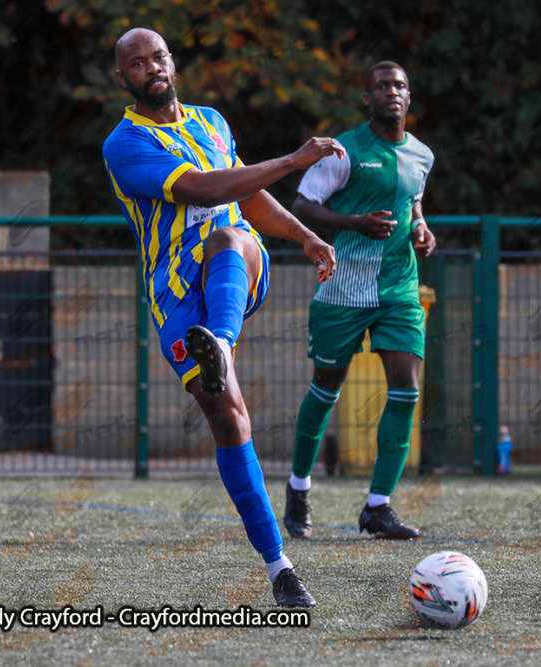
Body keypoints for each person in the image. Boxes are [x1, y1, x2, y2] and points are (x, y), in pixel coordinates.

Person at [103, 28, 344, 606]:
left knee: (232, 231)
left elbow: (248, 200)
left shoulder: (211, 121)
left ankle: (223, 344)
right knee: (231, 421)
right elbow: (205, 186)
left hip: (232, 276)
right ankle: (279, 568)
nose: (151, 68)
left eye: (158, 56)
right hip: (176, 300)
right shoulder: (124, 143)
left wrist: (306, 235)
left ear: (172, 61)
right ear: (124, 79)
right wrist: (292, 158)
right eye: (136, 63)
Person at [283, 61, 436, 539]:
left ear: (409, 97)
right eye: (381, 86)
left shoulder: (421, 155)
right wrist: (355, 224)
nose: (391, 92)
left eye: (400, 86)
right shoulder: (343, 151)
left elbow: (413, 202)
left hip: (399, 290)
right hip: (343, 290)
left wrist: (421, 228)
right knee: (326, 388)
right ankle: (298, 486)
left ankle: (378, 506)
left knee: (406, 389)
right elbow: (302, 206)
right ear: (366, 98)